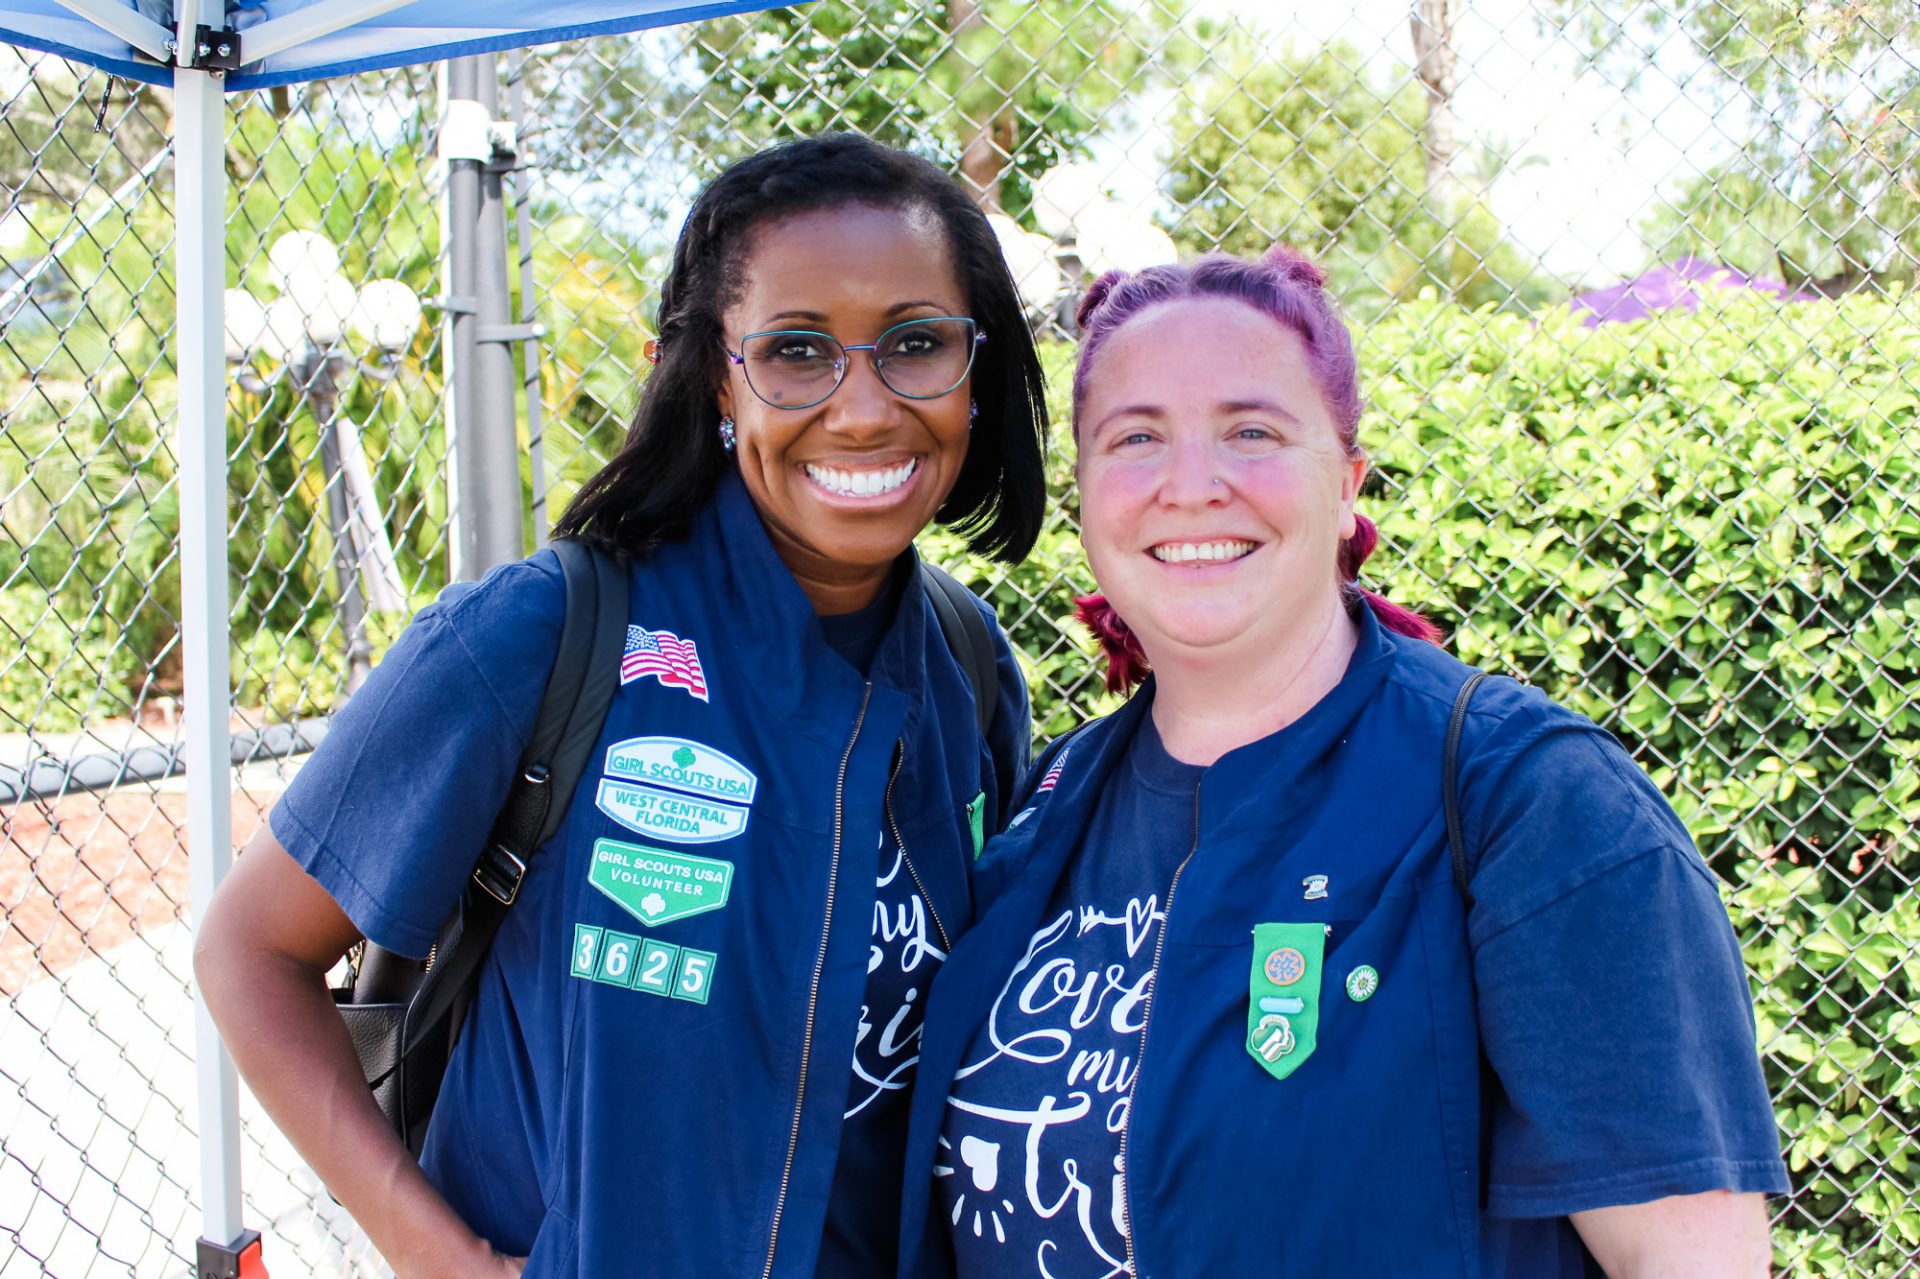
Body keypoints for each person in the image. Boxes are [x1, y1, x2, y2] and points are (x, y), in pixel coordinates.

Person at [195, 133, 1048, 1279]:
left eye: (916, 343)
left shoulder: (969, 670)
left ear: (974, 368)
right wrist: (429, 1250)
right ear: (711, 375)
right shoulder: (542, 635)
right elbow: (249, 952)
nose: (863, 408)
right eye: (795, 352)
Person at [896, 248, 1789, 1278]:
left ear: (1348, 480)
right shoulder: (1048, 805)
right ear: (1086, 492)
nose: (1192, 485)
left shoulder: (1526, 797)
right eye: (1135, 438)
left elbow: (1689, 1260)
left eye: (1253, 431)